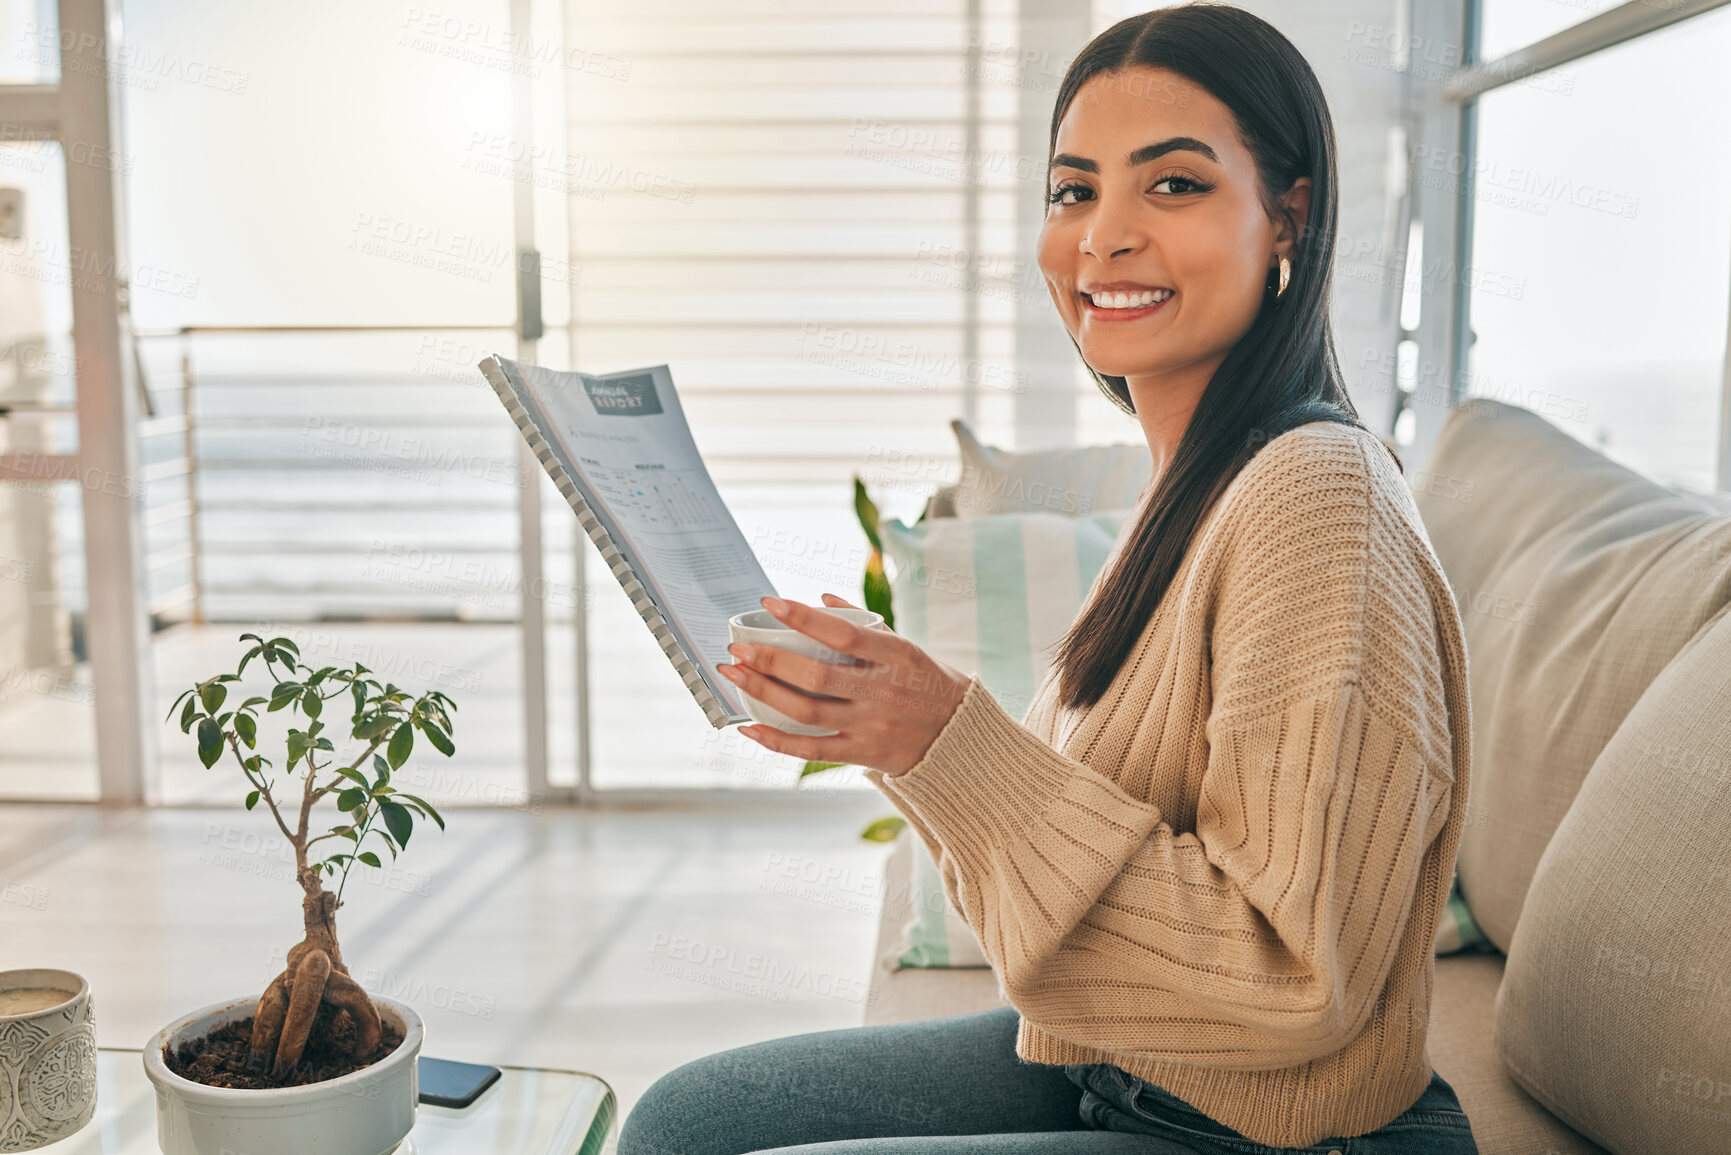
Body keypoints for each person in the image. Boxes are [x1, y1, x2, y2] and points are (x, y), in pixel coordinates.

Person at [618, 4, 1478, 1152]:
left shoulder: (1314, 499)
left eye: (1172, 185)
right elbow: (1050, 894)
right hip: (1125, 1066)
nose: (1101, 237)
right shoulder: (1184, 486)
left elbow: (1295, 978)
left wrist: (947, 740)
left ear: (1290, 216)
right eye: (1074, 191)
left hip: (1274, 1131)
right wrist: (895, 738)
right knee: (689, 1119)